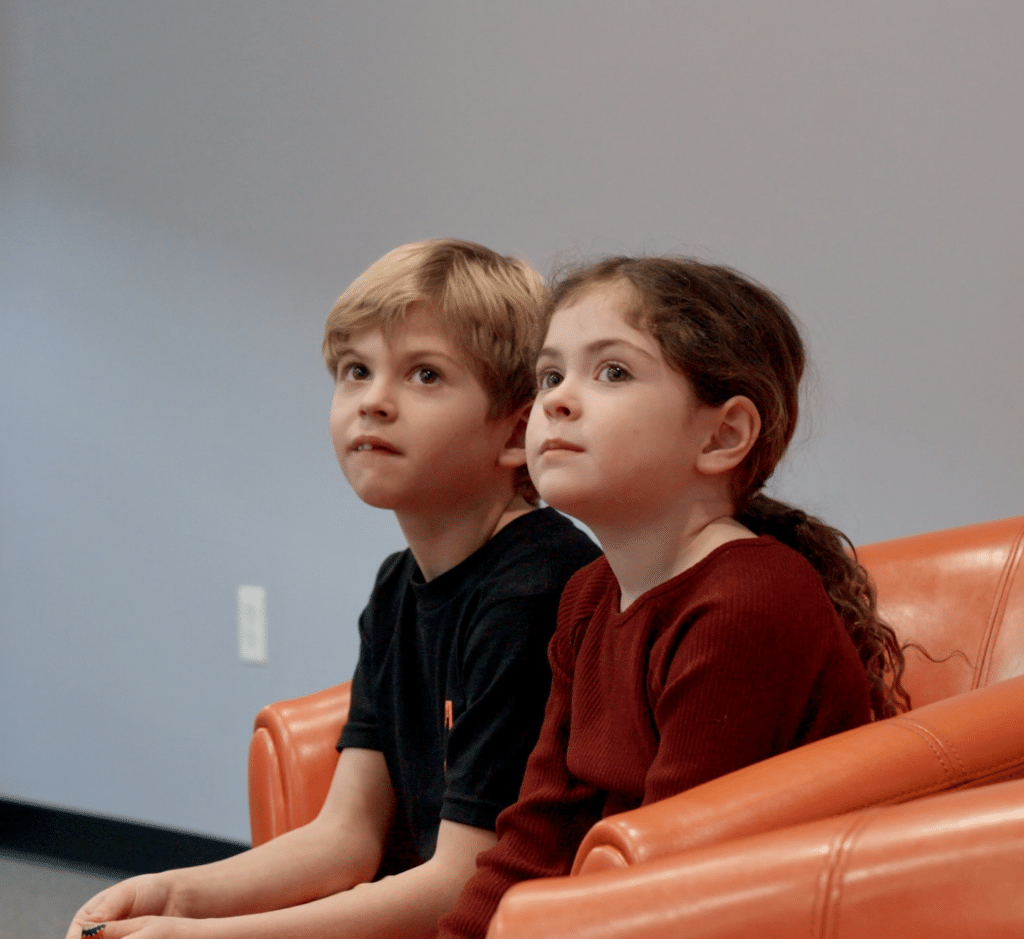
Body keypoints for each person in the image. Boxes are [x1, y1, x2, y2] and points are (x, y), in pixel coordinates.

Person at [67, 240, 601, 939]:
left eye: (425, 375)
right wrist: (174, 894)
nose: (373, 402)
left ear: (516, 429)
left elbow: (466, 883)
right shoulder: (398, 585)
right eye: (355, 370)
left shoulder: (533, 591)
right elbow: (346, 835)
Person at [437, 256, 910, 939]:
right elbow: (538, 831)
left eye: (613, 372)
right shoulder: (588, 594)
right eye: (550, 375)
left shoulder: (746, 602)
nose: (557, 400)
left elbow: (671, 882)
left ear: (722, 435)